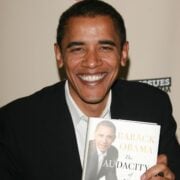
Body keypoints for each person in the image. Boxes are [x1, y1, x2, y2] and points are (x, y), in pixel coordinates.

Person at [0, 0, 179, 179]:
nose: (92, 62)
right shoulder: (16, 124)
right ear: (59, 55)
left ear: (123, 53)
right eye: (77, 49)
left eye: (105, 48)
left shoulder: (153, 107)